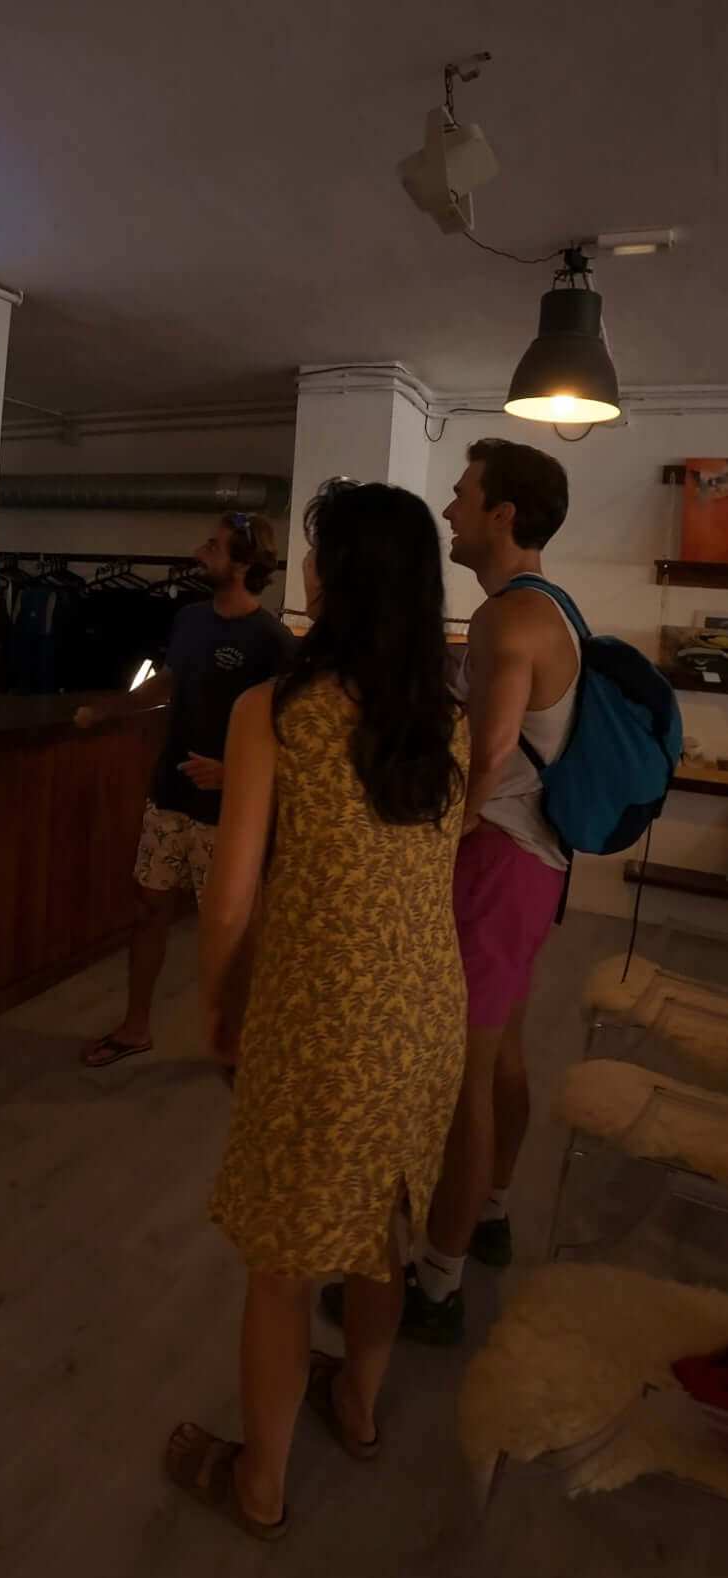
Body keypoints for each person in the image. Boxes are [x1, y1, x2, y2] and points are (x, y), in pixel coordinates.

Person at [165, 480, 468, 1538]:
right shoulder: (450, 722)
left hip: (322, 1018)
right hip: (429, 1008)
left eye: (316, 555)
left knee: (284, 1268)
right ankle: (361, 1408)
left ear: (336, 581)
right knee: (386, 1229)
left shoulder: (278, 713)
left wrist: (215, 999)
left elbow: (232, 897)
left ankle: (259, 1483)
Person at [323, 438, 577, 1347]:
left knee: (461, 1079)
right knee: (500, 1055)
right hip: (535, 862)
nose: (449, 511)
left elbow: (493, 754)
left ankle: (436, 1280)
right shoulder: (547, 608)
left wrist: (434, 844)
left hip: (498, 862)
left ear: (503, 514)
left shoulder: (512, 618)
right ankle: (494, 1211)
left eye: (463, 494)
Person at [76, 513, 294, 1068]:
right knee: (148, 909)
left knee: (231, 931)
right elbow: (169, 681)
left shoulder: (271, 639)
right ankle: (135, 1026)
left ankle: (239, 1043)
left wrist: (233, 774)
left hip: (229, 815)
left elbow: (288, 730)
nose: (201, 552)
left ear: (244, 563)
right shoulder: (190, 619)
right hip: (168, 796)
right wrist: (111, 708)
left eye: (214, 547)